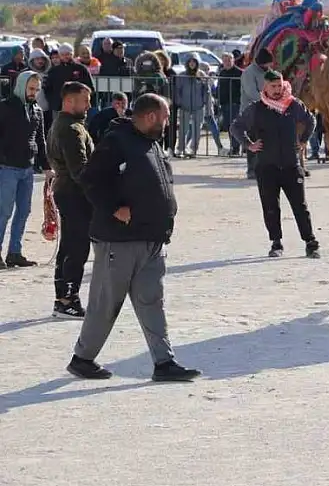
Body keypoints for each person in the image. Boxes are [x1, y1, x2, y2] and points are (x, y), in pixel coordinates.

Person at [66, 93, 202, 381]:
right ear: (151, 116)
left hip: (152, 239)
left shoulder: (152, 144)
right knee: (105, 305)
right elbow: (90, 179)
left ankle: (164, 363)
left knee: (153, 301)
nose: (167, 123)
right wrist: (114, 208)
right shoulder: (117, 142)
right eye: (165, 117)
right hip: (119, 241)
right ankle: (82, 358)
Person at [231, 71, 320, 258]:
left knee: (300, 206)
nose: (278, 90)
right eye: (273, 86)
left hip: (290, 164)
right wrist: (249, 144)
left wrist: (303, 140)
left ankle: (310, 242)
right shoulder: (256, 108)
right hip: (267, 166)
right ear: (265, 87)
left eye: (280, 86)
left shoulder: (293, 105)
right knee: (270, 206)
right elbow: (236, 127)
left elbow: (310, 120)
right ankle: (276, 243)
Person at [46, 82, 95, 319]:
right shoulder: (71, 128)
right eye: (85, 100)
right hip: (74, 194)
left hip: (67, 191)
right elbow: (80, 170)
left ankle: (63, 297)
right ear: (69, 101)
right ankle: (68, 299)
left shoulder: (64, 123)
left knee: (69, 246)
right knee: (77, 248)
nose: (89, 105)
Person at [0, 71, 51, 269]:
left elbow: (40, 139)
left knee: (24, 211)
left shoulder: (37, 110)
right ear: (21, 86)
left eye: (37, 90)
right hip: (6, 167)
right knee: (4, 212)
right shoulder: (5, 107)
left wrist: (47, 167)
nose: (34, 93)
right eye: (31, 89)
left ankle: (15, 252)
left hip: (27, 169)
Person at [240, 49, 273, 179]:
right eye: (267, 64)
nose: (268, 66)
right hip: (251, 112)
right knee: (253, 140)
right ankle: (252, 169)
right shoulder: (249, 73)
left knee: (266, 141)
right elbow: (251, 93)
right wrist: (267, 100)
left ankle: (265, 168)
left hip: (268, 112)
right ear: (261, 62)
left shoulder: (269, 73)